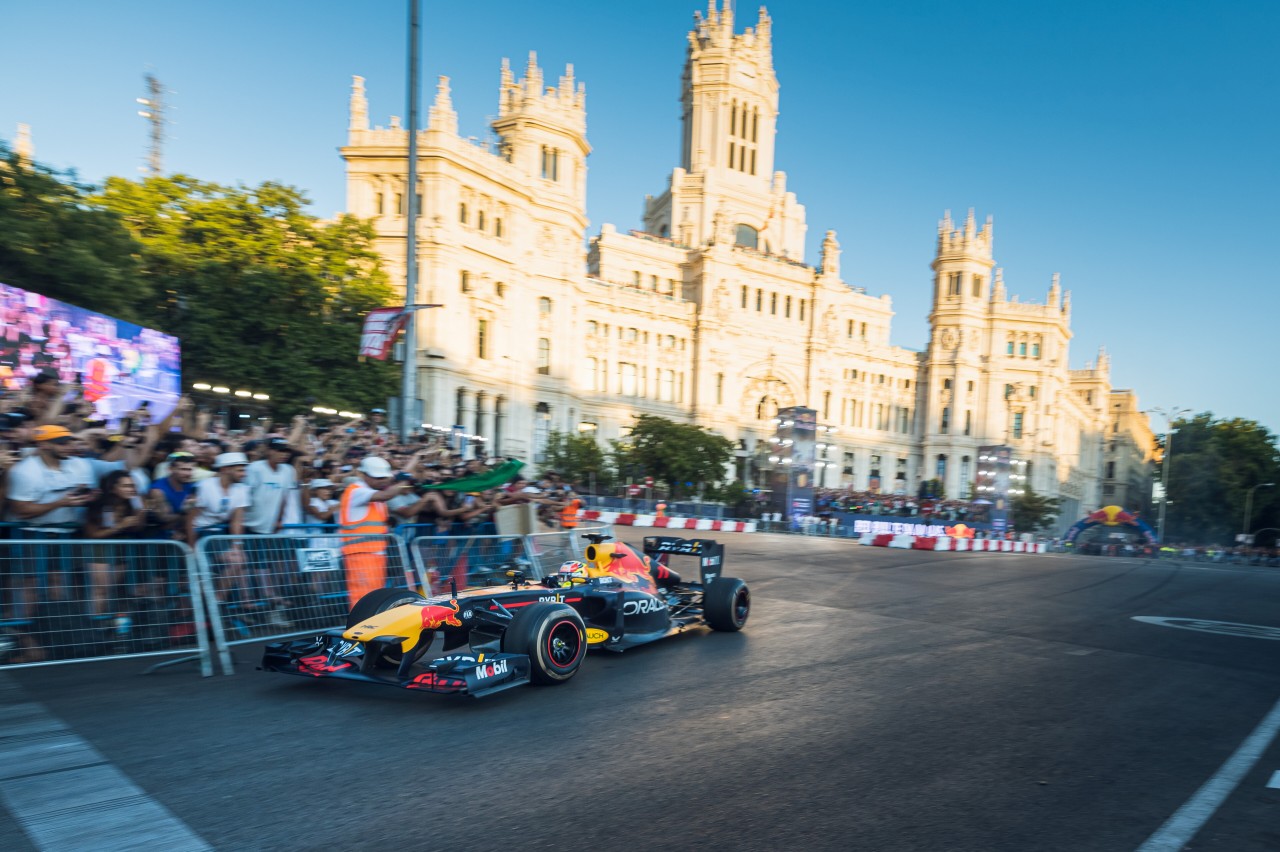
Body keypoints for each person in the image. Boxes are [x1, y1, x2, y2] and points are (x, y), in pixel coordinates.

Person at [339, 455, 412, 605]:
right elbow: (387, 494)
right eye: (378, 478)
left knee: (375, 598)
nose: (382, 481)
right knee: (363, 599)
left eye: (384, 478)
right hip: (360, 554)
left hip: (375, 553)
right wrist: (405, 482)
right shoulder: (356, 491)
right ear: (363, 475)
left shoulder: (371, 491)